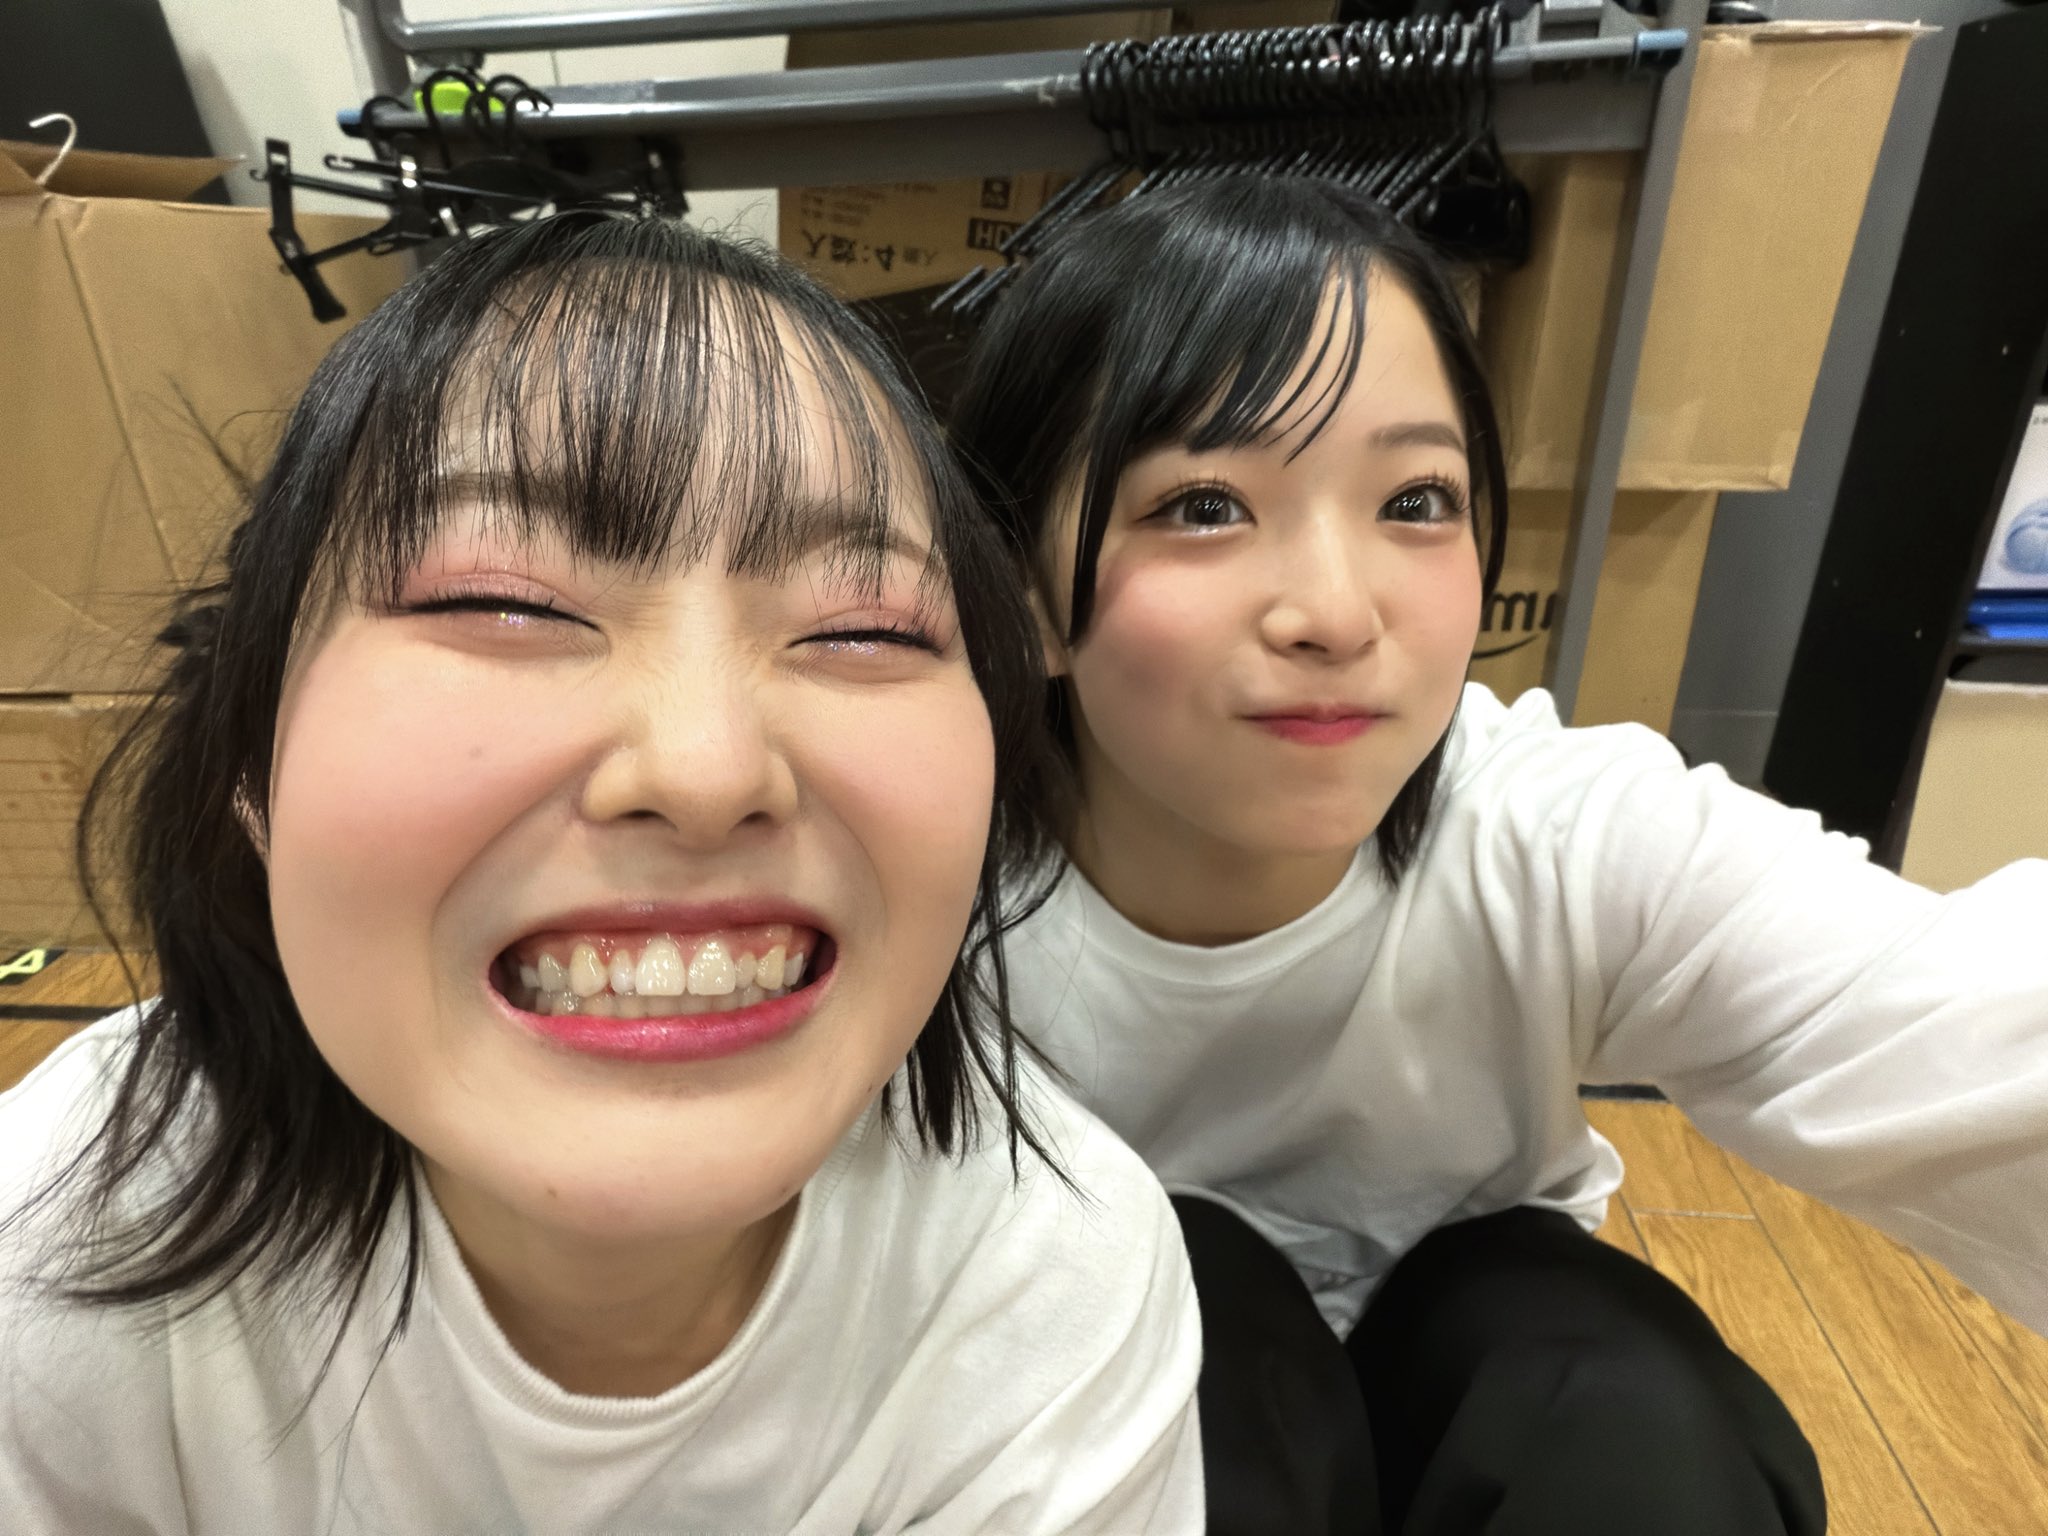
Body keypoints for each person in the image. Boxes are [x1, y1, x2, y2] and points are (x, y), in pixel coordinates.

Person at [0, 212, 1202, 1533]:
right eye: (501, 603)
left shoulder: (1054, 1291)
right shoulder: (54, 1245)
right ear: (249, 763)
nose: (706, 765)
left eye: (862, 627)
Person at [948, 173, 2048, 1536]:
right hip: (1126, 1394)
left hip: (1489, 1399)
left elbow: (1963, 1029)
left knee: (1631, 1416)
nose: (1337, 612)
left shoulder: (1553, 830)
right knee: (1167, 1317)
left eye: (1416, 499)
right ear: (1017, 586)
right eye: (1206, 505)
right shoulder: (927, 885)